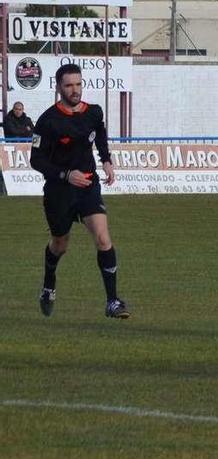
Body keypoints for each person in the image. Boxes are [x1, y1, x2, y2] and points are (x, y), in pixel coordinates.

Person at [30, 64, 129, 319]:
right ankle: (49, 284)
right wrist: (65, 175)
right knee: (60, 245)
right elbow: (36, 160)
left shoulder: (93, 113)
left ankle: (113, 302)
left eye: (78, 84)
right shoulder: (47, 121)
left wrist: (106, 160)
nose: (75, 90)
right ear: (59, 87)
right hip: (59, 191)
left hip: (87, 185)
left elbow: (101, 135)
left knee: (103, 239)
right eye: (69, 85)